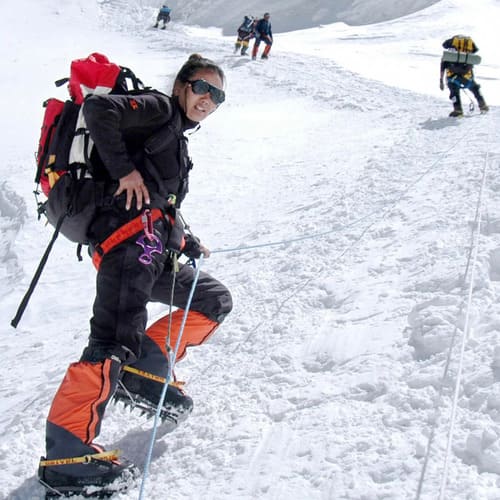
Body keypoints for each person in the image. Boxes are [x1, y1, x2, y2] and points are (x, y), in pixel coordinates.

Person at [37, 54, 233, 496]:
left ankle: (146, 365)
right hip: (128, 244)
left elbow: (159, 200)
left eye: (218, 96)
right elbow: (99, 109)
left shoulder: (171, 137)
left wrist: (184, 237)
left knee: (211, 299)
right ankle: (67, 452)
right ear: (182, 85)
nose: (208, 99)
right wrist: (124, 172)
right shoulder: (161, 109)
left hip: (151, 249)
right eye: (202, 88)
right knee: (112, 337)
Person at [439, 35, 489, 117]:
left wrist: (441, 80)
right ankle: (483, 105)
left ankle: (458, 110)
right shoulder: (470, 41)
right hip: (467, 74)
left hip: (452, 74)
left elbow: (444, 45)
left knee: (454, 90)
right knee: (475, 88)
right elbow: (475, 50)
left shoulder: (453, 40)